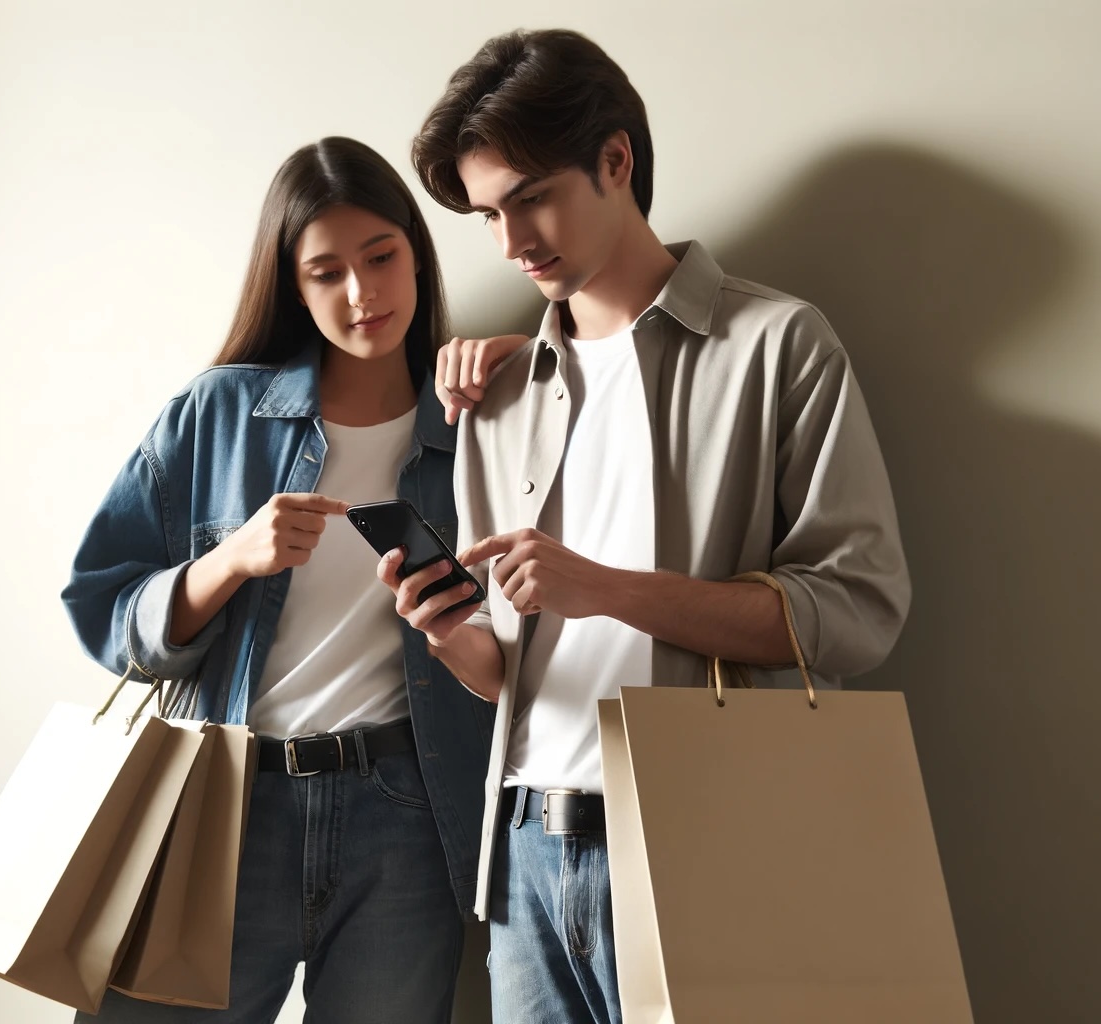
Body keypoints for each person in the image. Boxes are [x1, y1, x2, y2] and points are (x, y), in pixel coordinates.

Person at [379, 30, 913, 1024]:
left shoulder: (776, 346)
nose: (509, 241)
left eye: (531, 195)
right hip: (527, 854)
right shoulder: (497, 395)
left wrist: (607, 589)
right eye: (489, 213)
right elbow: (516, 669)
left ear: (615, 161)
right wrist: (457, 642)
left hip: (707, 846)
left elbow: (860, 608)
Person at [61, 136, 525, 1023]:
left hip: (407, 815)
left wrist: (528, 368)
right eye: (326, 273)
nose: (362, 294)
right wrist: (231, 559)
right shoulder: (219, 413)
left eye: (382, 257)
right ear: (292, 284)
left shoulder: (478, 425)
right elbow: (103, 611)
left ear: (416, 254)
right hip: (228, 807)